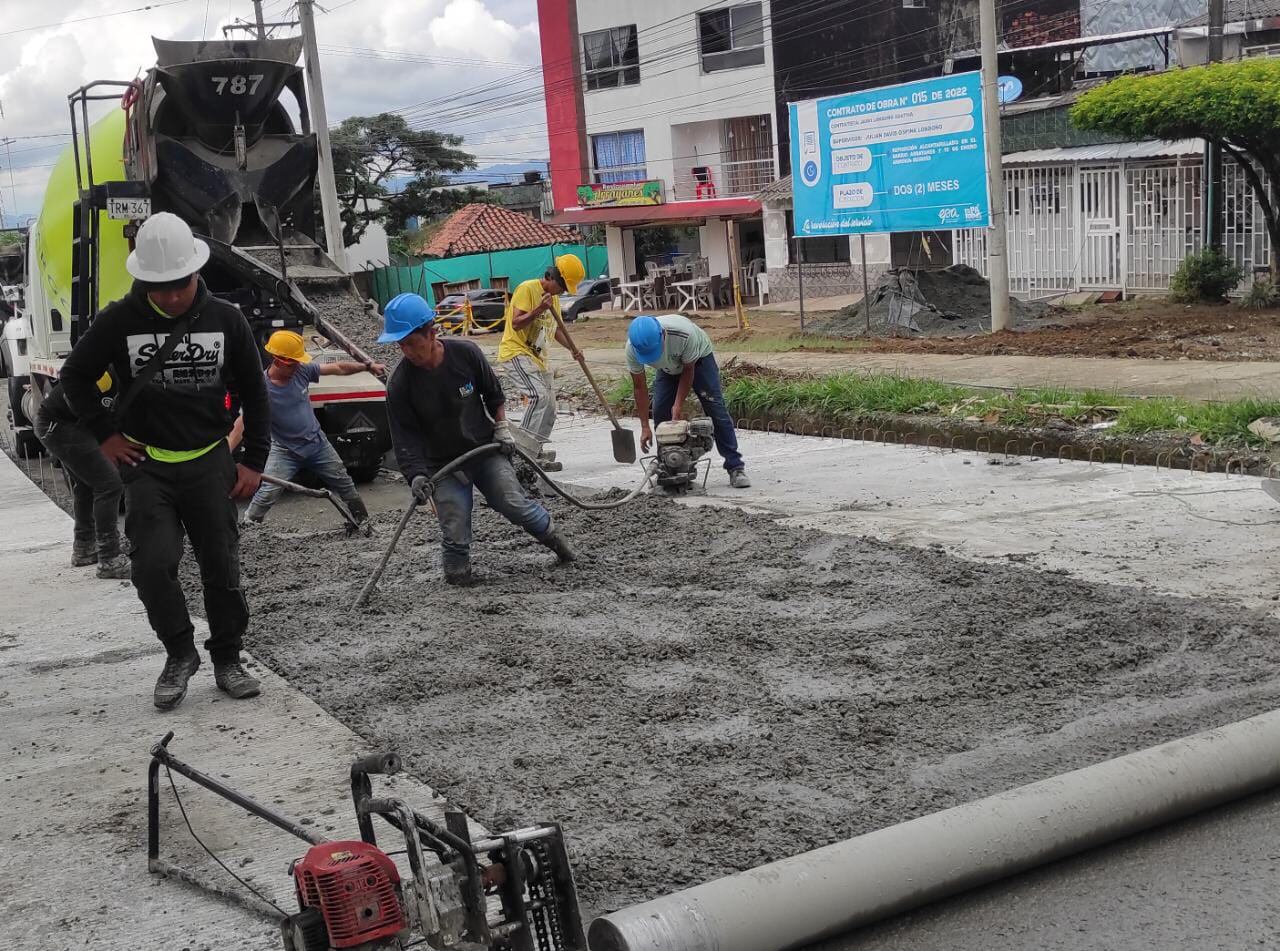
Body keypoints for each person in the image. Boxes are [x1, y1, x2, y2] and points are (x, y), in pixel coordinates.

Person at [59, 212, 270, 711]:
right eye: (159, 287)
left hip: (209, 464)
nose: (172, 296)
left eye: (180, 284)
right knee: (151, 567)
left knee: (222, 568)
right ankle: (179, 653)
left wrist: (254, 459)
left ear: (197, 273)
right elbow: (75, 377)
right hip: (147, 467)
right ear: (142, 279)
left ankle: (227, 658)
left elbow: (257, 393)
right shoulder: (118, 320)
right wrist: (105, 436)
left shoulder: (227, 319)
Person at [381, 293, 577, 585]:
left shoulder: (466, 355)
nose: (406, 350)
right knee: (455, 519)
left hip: (484, 449)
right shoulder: (400, 384)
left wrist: (502, 428)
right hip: (442, 465)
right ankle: (458, 576)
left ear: (431, 333)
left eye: (411, 342)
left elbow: (493, 393)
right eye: (401, 344)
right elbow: (404, 437)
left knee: (512, 502)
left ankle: (562, 547)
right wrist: (416, 476)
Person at [242, 330, 383, 526]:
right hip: (285, 450)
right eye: (294, 361)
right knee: (268, 492)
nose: (298, 364)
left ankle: (362, 522)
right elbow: (241, 423)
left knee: (344, 483)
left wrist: (367, 366)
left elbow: (338, 368)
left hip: (317, 444)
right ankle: (248, 527)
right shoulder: (262, 389)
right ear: (278, 359)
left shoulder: (301, 371)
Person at [626, 313, 751, 489]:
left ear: (663, 335)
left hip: (699, 360)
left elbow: (688, 371)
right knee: (661, 411)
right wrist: (645, 426)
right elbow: (639, 387)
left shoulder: (683, 334)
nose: (651, 358)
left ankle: (735, 466)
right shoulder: (632, 348)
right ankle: (668, 467)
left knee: (715, 409)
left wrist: (677, 405)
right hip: (668, 368)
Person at [495, 253, 587, 470]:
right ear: (553, 277)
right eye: (562, 287)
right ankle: (521, 453)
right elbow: (516, 323)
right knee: (538, 396)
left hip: (537, 358)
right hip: (515, 352)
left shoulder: (552, 299)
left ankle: (535, 450)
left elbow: (556, 331)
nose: (562, 292)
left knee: (550, 407)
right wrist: (539, 309)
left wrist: (573, 349)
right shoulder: (528, 289)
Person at [33, 376, 130, 579]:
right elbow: (74, 400)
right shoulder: (106, 374)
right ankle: (109, 558)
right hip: (57, 425)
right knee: (109, 484)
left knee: (87, 485)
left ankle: (85, 547)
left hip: (67, 424)